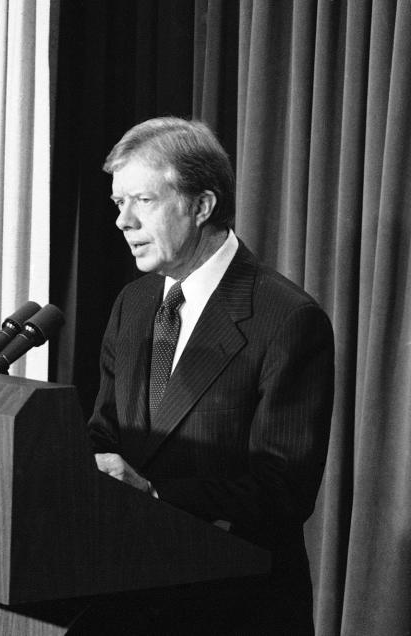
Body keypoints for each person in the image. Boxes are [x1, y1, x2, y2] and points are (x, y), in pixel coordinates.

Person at [87, 117, 334, 634]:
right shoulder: (132, 304)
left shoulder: (287, 319)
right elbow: (106, 431)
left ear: (202, 205)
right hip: (126, 595)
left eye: (143, 201)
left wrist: (154, 494)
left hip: (233, 607)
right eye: (118, 204)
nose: (122, 222)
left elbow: (283, 489)